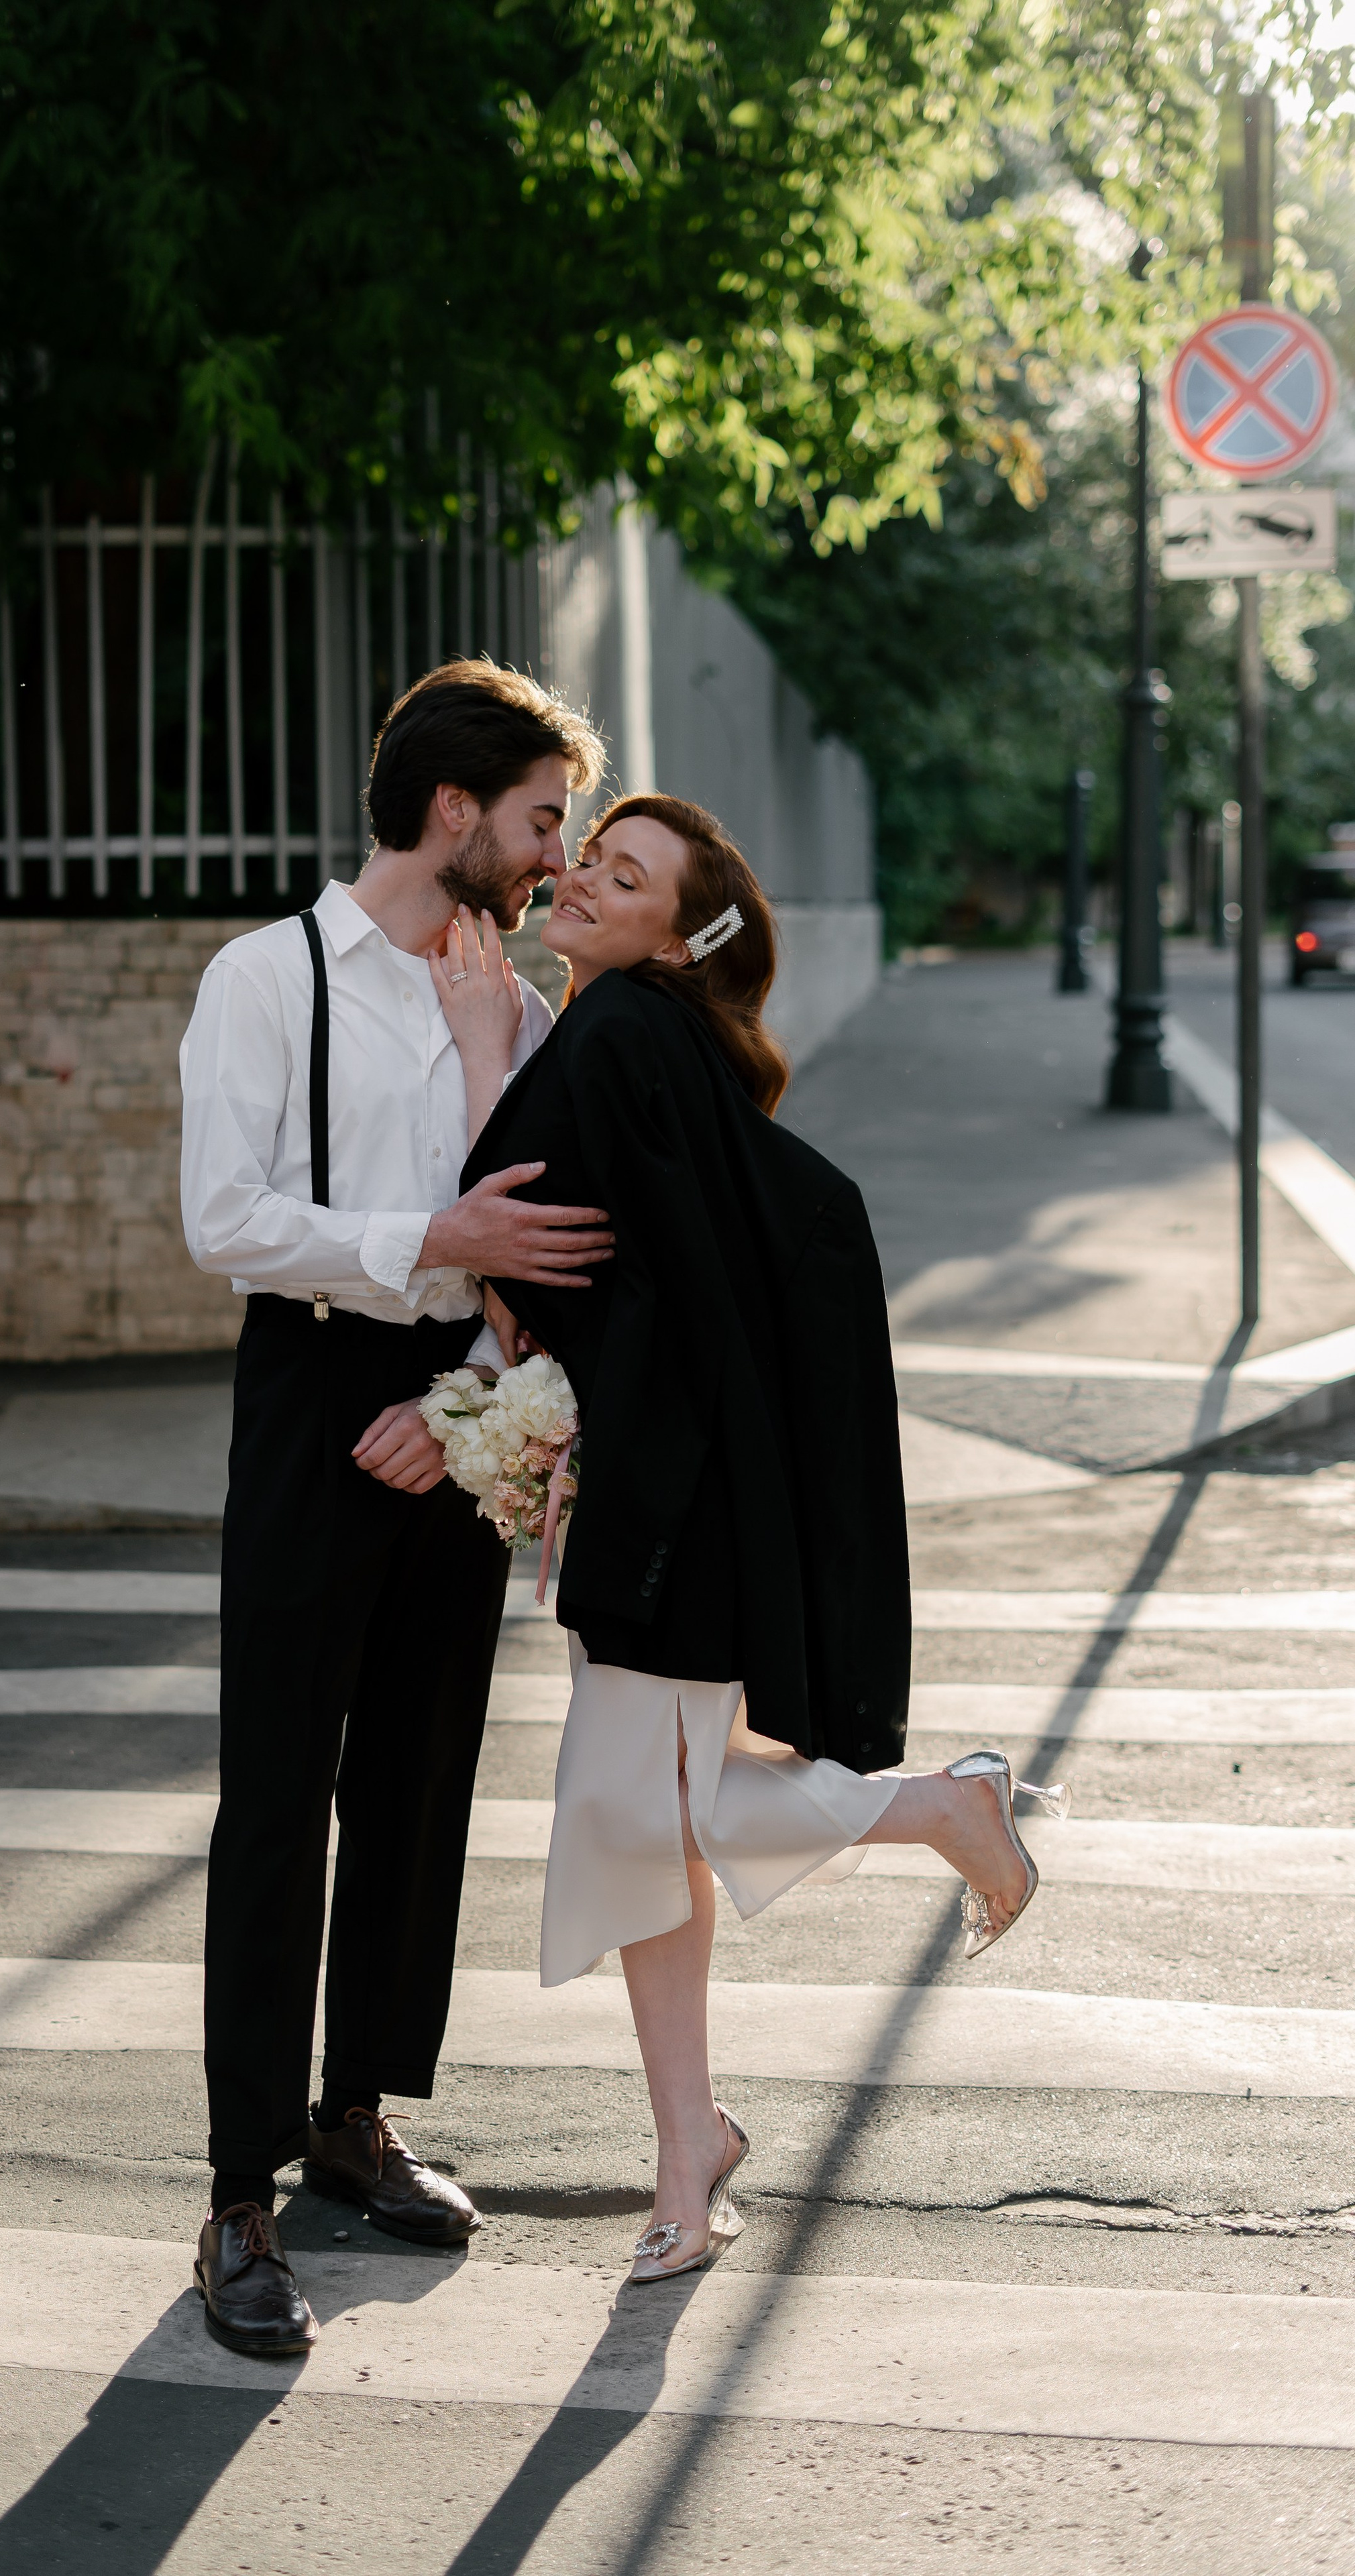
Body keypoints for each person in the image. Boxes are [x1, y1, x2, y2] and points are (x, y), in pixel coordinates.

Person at [441, 792, 1067, 2284]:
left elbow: (516, 1234)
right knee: (643, 1822)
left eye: (626, 875)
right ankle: (687, 2146)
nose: (585, 882)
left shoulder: (616, 1035)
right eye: (587, 859)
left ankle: (937, 1810)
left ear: (677, 930)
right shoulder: (652, 1041)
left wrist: (480, 1056)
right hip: (684, 1497)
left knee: (632, 1821)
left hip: (673, 1513)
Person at [179, 661, 607, 2356]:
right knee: (278, 1801)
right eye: (537, 818)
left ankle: (354, 2115)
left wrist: (457, 1406)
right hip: (305, 1400)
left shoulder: (519, 1002)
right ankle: (234, 2189)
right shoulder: (265, 977)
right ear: (454, 812)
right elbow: (227, 1216)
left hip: (456, 1413)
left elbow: (556, 1239)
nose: (549, 853)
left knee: (420, 1783)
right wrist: (424, 1241)